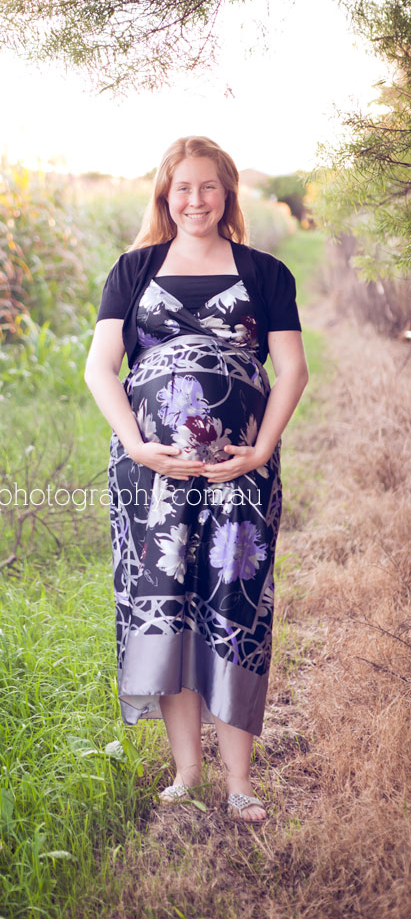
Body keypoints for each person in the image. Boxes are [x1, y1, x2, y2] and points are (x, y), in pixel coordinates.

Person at [84, 136, 309, 823]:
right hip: (149, 479)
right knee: (166, 607)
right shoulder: (133, 269)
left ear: (226, 193)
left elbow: (292, 370)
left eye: (208, 187)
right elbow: (100, 368)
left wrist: (259, 451)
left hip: (238, 476)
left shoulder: (264, 273)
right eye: (182, 187)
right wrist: (138, 447)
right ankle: (185, 770)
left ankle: (239, 781)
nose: (194, 200)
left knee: (235, 606)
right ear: (164, 193)